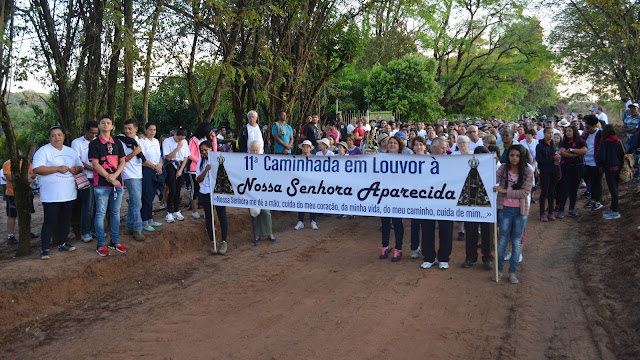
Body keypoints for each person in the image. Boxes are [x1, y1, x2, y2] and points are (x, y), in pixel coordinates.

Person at [32, 127, 83, 259]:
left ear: (63, 136)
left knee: (65, 220)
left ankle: (62, 243)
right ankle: (44, 249)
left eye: (59, 135)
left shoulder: (70, 151)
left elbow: (80, 166)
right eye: (53, 136)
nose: (57, 138)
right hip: (51, 195)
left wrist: (76, 169)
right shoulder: (43, 151)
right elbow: (37, 169)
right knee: (50, 221)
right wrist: (57, 169)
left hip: (69, 193)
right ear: (49, 138)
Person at [88, 116, 129, 257]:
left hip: (117, 184)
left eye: (108, 123)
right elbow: (95, 164)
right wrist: (109, 178)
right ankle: (101, 244)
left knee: (116, 213)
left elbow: (122, 161)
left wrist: (115, 176)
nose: (106, 125)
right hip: (101, 185)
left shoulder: (117, 142)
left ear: (112, 126)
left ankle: (115, 241)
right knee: (100, 213)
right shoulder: (94, 144)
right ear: (99, 126)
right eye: (103, 123)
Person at [493, 144, 534, 283]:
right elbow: (492, 179)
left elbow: (524, 192)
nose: (514, 158)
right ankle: (498, 271)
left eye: (517, 156)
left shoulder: (528, 171)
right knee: (502, 241)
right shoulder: (503, 168)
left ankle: (512, 273)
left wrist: (504, 191)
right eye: (512, 155)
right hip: (504, 209)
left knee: (516, 242)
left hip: (520, 211)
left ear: (522, 157)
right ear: (508, 156)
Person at [420, 137, 454, 269]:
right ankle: (429, 257)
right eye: (443, 148)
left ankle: (444, 258)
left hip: (446, 200)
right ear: (433, 148)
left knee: (446, 229)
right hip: (428, 200)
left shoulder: (451, 161)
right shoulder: (423, 162)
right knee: (427, 229)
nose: (446, 150)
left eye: (446, 147)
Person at [462, 146, 494, 270]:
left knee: (488, 233)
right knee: (470, 231)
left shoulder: (494, 167)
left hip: (486, 205)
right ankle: (470, 257)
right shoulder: (467, 168)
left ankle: (487, 258)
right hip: (471, 205)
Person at [196, 140, 229, 254]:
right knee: (209, 217)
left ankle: (224, 242)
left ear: (211, 149)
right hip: (205, 192)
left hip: (218, 192)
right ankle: (212, 242)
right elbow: (198, 179)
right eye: (202, 151)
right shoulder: (201, 162)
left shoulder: (219, 159)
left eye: (206, 150)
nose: (204, 152)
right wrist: (206, 170)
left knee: (222, 216)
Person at [71, 120, 98, 243]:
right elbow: (78, 161)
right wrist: (95, 169)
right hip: (84, 176)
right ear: (85, 131)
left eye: (95, 133)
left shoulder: (98, 141)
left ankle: (94, 230)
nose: (93, 135)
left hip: (99, 177)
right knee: (87, 205)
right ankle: (85, 232)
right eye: (91, 133)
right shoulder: (77, 143)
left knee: (98, 206)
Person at [379, 136, 406, 262]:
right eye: (390, 143)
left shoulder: (404, 159)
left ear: (399, 146)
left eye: (395, 143)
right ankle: (385, 246)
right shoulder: (380, 158)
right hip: (384, 195)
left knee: (397, 222)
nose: (392, 145)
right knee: (385, 223)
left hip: (398, 196)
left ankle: (398, 248)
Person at [120, 119, 147, 241]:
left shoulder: (140, 140)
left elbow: (144, 158)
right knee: (137, 202)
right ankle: (137, 229)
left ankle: (129, 226)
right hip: (128, 174)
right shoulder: (121, 141)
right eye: (125, 128)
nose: (127, 131)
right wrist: (135, 152)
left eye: (130, 128)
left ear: (136, 129)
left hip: (138, 174)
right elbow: (123, 160)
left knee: (134, 201)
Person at [3, 150, 36, 245]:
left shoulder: (26, 163)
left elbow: (33, 174)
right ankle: (10, 235)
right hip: (12, 193)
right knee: (12, 215)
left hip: (27, 192)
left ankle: (26, 232)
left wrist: (24, 178)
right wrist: (26, 177)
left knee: (27, 212)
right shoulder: (7, 164)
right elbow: (10, 177)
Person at [247, 140, 276, 245]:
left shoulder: (265, 160)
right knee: (254, 213)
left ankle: (269, 233)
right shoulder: (246, 160)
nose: (254, 152)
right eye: (253, 150)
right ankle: (257, 234)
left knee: (266, 212)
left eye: (256, 150)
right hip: (251, 190)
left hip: (263, 190)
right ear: (250, 150)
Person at [187, 122, 215, 219]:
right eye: (210, 130)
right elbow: (189, 154)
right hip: (195, 168)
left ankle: (207, 211)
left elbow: (213, 151)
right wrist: (200, 162)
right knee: (195, 189)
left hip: (207, 167)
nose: (211, 132)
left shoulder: (208, 139)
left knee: (208, 189)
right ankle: (194, 210)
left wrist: (214, 139)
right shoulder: (193, 140)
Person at [557, 126, 587, 217]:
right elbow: (562, 153)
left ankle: (572, 209)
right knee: (565, 189)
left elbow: (584, 151)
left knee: (574, 189)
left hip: (577, 168)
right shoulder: (564, 142)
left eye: (570, 131)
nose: (568, 133)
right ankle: (561, 209)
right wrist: (576, 154)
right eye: (566, 131)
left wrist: (571, 150)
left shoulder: (581, 141)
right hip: (566, 168)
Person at [139, 122, 164, 231]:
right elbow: (143, 159)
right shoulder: (142, 141)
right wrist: (154, 166)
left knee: (152, 194)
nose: (152, 132)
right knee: (146, 195)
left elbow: (159, 156)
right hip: (147, 170)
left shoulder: (156, 141)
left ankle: (150, 219)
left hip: (156, 169)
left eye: (154, 130)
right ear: (145, 130)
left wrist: (160, 166)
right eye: (150, 130)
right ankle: (144, 221)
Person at [162, 126, 190, 223]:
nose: (180, 140)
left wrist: (181, 170)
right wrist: (177, 148)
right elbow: (168, 157)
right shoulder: (167, 142)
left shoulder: (185, 142)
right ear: (175, 134)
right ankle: (169, 211)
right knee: (172, 189)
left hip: (181, 165)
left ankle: (176, 210)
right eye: (179, 138)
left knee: (178, 189)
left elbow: (186, 157)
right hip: (171, 165)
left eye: (182, 139)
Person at [597, 124, 625, 219]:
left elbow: (601, 156)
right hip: (617, 168)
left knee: (613, 190)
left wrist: (601, 165)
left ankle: (615, 210)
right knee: (615, 188)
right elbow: (622, 154)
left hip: (609, 169)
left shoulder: (605, 142)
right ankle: (613, 208)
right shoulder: (618, 141)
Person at [409, 136, 428, 258]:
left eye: (421, 144)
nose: (419, 147)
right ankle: (414, 248)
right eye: (416, 145)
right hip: (413, 197)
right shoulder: (409, 160)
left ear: (425, 146)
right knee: (414, 224)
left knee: (426, 225)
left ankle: (426, 249)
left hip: (428, 196)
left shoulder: (432, 159)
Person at [536, 127, 560, 221]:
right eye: (548, 133)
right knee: (544, 192)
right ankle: (542, 213)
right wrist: (552, 159)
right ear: (544, 133)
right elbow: (540, 160)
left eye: (552, 133)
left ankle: (550, 212)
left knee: (552, 192)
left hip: (554, 170)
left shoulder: (553, 145)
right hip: (545, 171)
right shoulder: (540, 146)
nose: (550, 135)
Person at [294, 140, 318, 230]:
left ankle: (313, 221)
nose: (305, 148)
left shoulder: (315, 158)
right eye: (304, 146)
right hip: (301, 184)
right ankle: (300, 221)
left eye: (307, 146)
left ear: (310, 148)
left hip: (312, 183)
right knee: (301, 201)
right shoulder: (298, 158)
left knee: (312, 201)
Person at [582, 115, 604, 210]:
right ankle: (592, 199)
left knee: (597, 182)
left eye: (588, 127)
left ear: (595, 126)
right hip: (586, 161)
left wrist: (602, 164)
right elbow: (581, 142)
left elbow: (603, 148)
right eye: (586, 127)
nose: (587, 129)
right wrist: (583, 134)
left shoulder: (600, 134)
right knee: (589, 180)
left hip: (596, 162)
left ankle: (597, 201)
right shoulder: (586, 134)